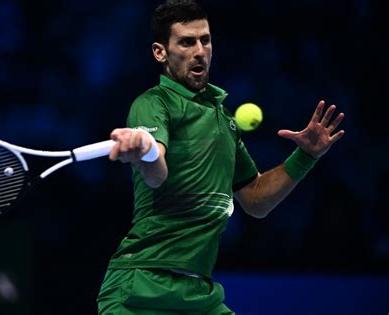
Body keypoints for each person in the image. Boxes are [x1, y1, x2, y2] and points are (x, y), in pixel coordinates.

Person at [97, 0, 345, 314]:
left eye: (205, 40)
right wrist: (143, 150)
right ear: (160, 52)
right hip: (142, 287)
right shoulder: (153, 103)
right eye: (187, 42)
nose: (199, 50)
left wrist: (306, 156)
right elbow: (157, 173)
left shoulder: (224, 119)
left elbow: (256, 200)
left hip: (200, 292)